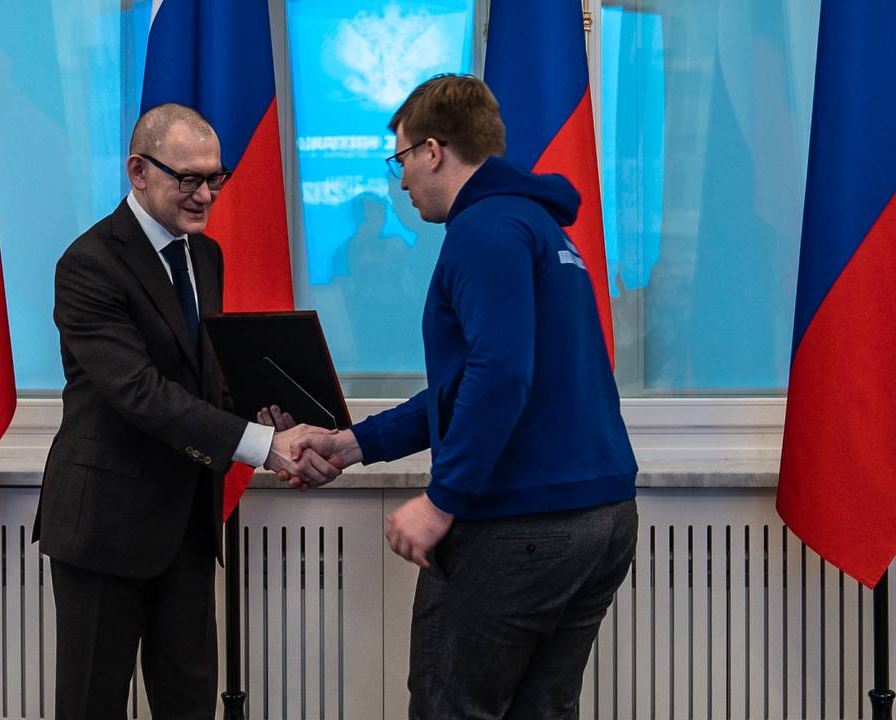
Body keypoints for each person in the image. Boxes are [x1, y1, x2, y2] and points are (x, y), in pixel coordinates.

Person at [289, 75, 640, 719]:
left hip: (522, 522)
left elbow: (499, 376)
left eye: (400, 158)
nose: (399, 181)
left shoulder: (483, 230)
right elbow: (473, 383)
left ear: (432, 151)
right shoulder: (537, 225)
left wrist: (442, 499)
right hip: (601, 518)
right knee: (542, 710)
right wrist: (354, 443)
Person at [33, 102, 338, 720]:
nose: (205, 195)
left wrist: (269, 417)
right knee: (92, 705)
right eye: (189, 179)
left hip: (188, 527)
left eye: (215, 178)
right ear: (138, 171)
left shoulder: (205, 255)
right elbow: (140, 392)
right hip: (104, 528)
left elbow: (201, 382)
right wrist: (260, 446)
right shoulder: (88, 263)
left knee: (191, 703)